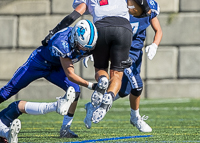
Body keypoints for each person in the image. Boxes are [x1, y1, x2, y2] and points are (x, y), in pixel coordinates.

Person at [41, 0, 152, 126]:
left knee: (100, 68)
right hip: (123, 28)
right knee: (117, 74)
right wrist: (146, 8)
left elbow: (74, 15)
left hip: (101, 28)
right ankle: (109, 96)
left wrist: (53, 32)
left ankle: (103, 80)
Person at [0, 19, 98, 141]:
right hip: (38, 63)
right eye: (82, 47)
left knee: (75, 91)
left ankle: (65, 129)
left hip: (55, 67)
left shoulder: (81, 41)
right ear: (74, 38)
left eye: (87, 48)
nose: (84, 50)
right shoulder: (62, 43)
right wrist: (91, 85)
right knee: (8, 91)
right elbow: (70, 74)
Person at [84, 0, 163, 132]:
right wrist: (91, 49)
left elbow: (158, 30)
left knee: (124, 91)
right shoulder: (120, 7)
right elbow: (102, 24)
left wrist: (155, 44)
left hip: (136, 52)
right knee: (137, 86)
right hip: (121, 51)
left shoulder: (150, 7)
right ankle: (135, 117)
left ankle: (93, 106)